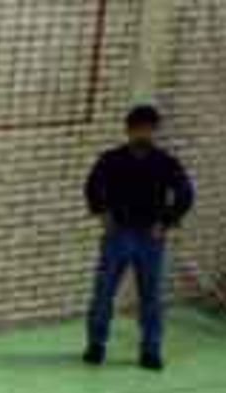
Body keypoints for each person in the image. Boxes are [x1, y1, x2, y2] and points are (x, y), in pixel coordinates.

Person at [84, 104, 194, 371]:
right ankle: (96, 345)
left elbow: (185, 194)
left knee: (151, 298)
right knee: (103, 294)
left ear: (154, 131)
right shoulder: (111, 160)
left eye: (148, 129)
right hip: (117, 235)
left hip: (150, 239)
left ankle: (150, 351)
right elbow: (92, 187)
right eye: (138, 129)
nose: (143, 134)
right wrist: (103, 215)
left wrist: (165, 223)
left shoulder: (166, 163)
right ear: (129, 130)